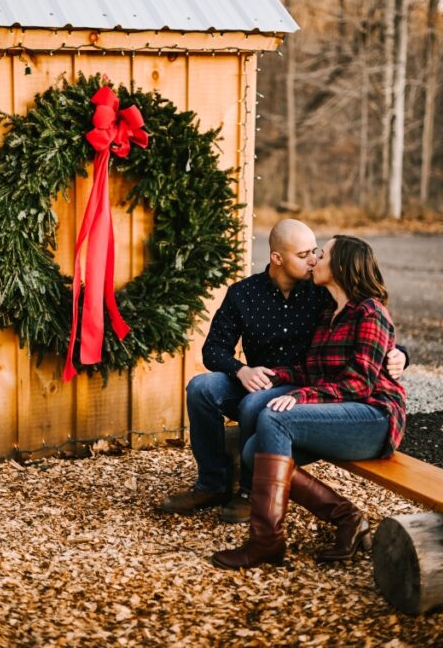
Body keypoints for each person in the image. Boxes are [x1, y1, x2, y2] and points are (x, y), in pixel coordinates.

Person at [158, 219, 405, 524]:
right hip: (266, 377)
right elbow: (212, 350)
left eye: (316, 253)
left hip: (300, 389)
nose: (313, 260)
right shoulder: (244, 294)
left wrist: (401, 355)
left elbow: (372, 330)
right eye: (303, 255)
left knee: (255, 404)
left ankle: (250, 493)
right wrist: (241, 370)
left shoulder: (322, 293)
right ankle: (212, 485)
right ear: (277, 258)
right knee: (201, 388)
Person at [211, 234, 406, 569]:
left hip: (375, 417)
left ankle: (265, 542)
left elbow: (359, 384)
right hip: (341, 411)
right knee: (252, 451)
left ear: (341, 266)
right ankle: (347, 518)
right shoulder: (330, 312)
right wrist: (275, 376)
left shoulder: (370, 313)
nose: (315, 258)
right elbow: (312, 370)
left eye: (322, 254)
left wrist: (301, 397)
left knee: (275, 417)